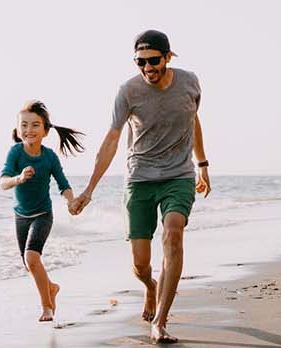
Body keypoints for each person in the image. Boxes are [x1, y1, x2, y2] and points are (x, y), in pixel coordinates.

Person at [69, 29, 211, 343]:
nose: (148, 68)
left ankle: (160, 320)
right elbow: (111, 139)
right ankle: (150, 287)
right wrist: (89, 190)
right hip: (140, 179)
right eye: (140, 62)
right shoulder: (128, 92)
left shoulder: (190, 82)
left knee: (173, 235)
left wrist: (202, 165)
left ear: (168, 57)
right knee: (140, 264)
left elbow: (193, 120)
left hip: (178, 175)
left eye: (154, 61)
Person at [0, 100, 84, 322]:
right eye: (24, 125)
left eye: (35, 125)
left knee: (31, 258)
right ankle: (52, 288)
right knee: (30, 265)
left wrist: (71, 201)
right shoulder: (16, 153)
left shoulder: (49, 157)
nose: (29, 130)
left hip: (43, 215)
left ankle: (47, 307)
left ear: (46, 130)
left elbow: (63, 184)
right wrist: (18, 178)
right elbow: (3, 182)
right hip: (21, 216)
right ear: (18, 130)